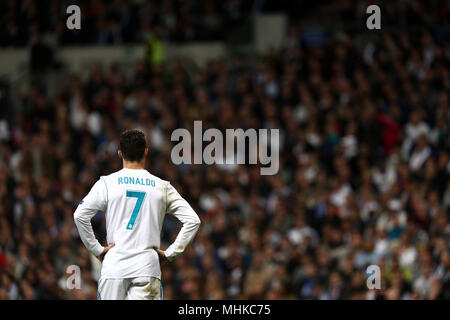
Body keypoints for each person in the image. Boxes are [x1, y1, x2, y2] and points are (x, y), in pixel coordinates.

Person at [73, 129, 201, 300]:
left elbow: (79, 215)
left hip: (115, 266)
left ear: (120, 153)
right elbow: (193, 220)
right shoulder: (162, 186)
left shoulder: (107, 183)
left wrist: (96, 249)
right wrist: (171, 254)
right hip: (146, 267)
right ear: (146, 152)